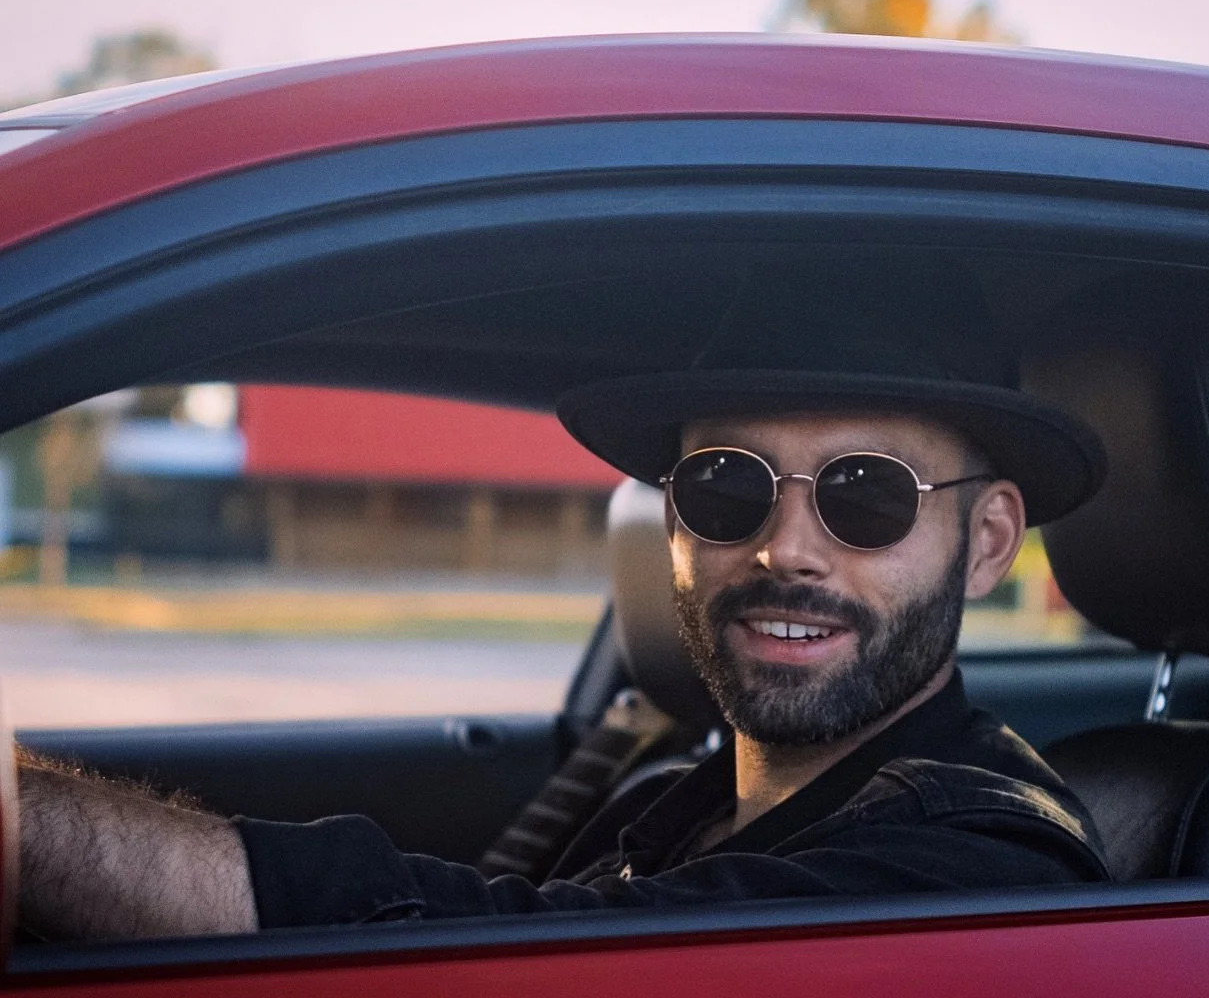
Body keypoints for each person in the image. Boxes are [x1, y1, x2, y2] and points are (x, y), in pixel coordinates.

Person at [15, 255, 1111, 939]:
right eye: (724, 484)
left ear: (988, 543)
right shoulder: (675, 801)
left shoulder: (974, 874)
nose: (787, 551)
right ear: (672, 519)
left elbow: (480, 955)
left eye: (865, 497)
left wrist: (26, 828)